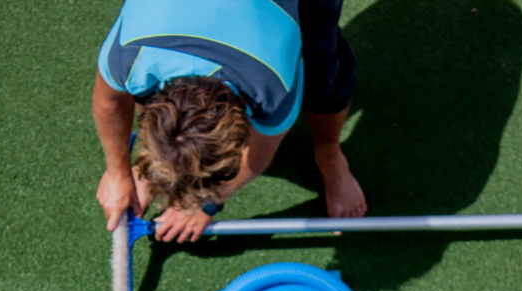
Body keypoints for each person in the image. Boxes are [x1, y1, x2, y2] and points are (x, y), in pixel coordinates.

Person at [93, 0, 367, 244]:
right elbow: (110, 100)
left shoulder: (271, 85)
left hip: (263, 35)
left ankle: (329, 155)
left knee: (322, 79)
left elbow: (259, 153)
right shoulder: (130, 54)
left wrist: (207, 204)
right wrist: (118, 173)